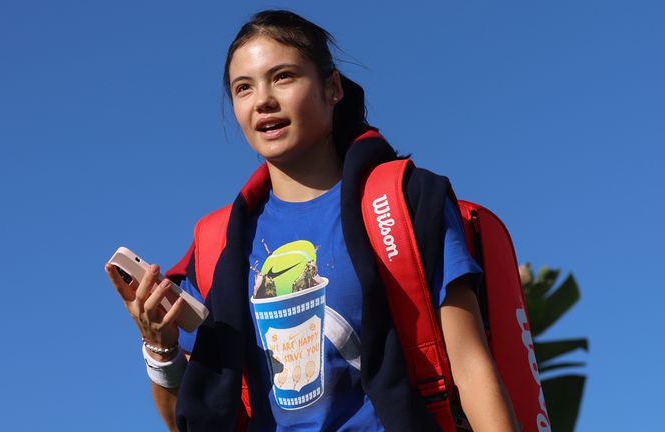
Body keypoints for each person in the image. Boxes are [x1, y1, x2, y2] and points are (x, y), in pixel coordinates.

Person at [105, 9, 519, 432]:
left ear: (332, 88)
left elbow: (472, 367)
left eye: (282, 77)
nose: (263, 99)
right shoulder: (218, 247)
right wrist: (160, 349)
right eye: (243, 88)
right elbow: (190, 421)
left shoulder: (402, 202)